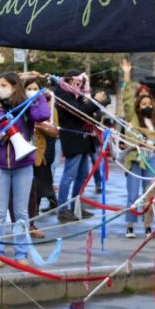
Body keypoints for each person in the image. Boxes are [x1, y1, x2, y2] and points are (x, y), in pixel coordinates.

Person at [0, 73, 50, 267]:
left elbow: (43, 115)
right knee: (0, 211)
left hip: (23, 167)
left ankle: (21, 254)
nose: (0, 88)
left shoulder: (26, 109)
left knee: (21, 212)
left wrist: (39, 95)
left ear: (15, 87)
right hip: (0, 166)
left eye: (4, 85)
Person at [121, 60, 155, 238]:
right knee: (133, 194)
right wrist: (127, 74)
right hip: (135, 158)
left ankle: (148, 226)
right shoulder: (132, 117)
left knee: (149, 194)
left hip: (151, 159)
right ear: (138, 106)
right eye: (143, 103)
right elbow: (126, 99)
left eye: (149, 103)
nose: (147, 105)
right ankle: (130, 226)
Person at [53, 70, 107, 223]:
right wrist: (95, 101)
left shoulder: (75, 95)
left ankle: (75, 205)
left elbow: (89, 115)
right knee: (69, 174)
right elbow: (80, 112)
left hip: (83, 138)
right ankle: (63, 208)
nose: (80, 86)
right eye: (78, 82)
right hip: (72, 138)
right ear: (70, 81)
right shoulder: (62, 95)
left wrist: (97, 104)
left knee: (82, 174)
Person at [25, 77, 58, 238]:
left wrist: (41, 125)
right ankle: (20, 224)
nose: (31, 91)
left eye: (35, 88)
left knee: (34, 191)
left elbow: (54, 131)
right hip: (19, 153)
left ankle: (31, 223)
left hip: (38, 154)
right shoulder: (20, 105)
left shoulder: (50, 106)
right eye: (28, 87)